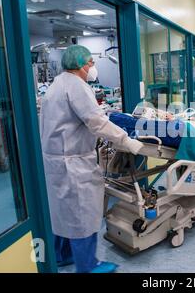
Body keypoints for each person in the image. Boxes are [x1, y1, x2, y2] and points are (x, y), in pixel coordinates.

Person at [40, 45, 143, 273]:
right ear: (79, 64)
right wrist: (127, 141)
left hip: (56, 161)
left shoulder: (56, 85)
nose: (92, 67)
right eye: (90, 63)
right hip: (74, 164)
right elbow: (97, 123)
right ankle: (89, 266)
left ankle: (62, 255)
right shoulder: (77, 86)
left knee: (62, 211)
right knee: (82, 214)